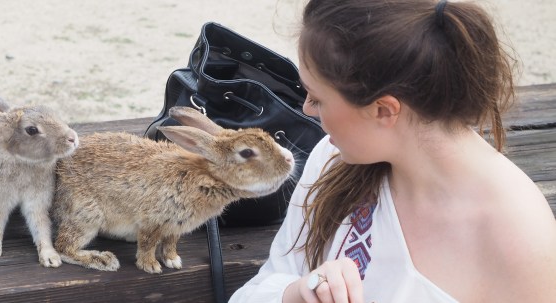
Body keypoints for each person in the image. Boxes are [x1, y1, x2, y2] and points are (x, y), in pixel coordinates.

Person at [229, 0, 556, 302]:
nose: (307, 109)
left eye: (318, 98)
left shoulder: (522, 240)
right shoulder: (332, 160)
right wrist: (297, 294)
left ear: (384, 110)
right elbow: (260, 287)